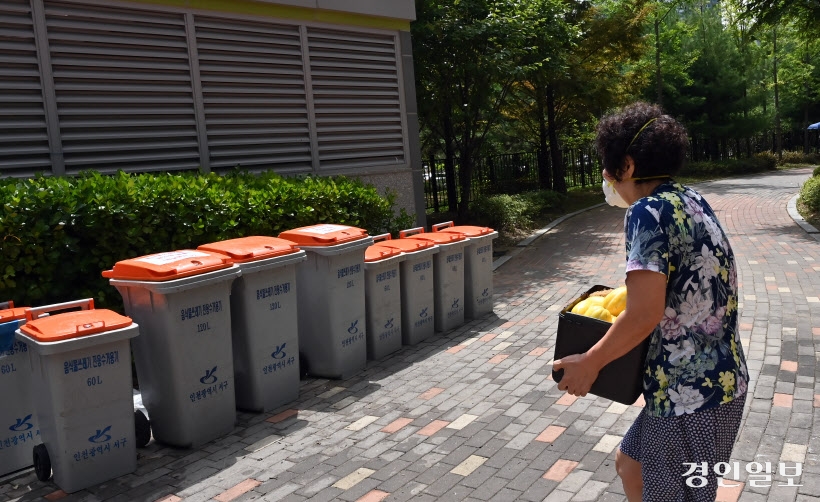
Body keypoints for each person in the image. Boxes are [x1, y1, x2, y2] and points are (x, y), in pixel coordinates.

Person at [552, 101, 749, 502]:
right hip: (715, 382)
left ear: (626, 165)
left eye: (608, 168)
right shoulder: (688, 197)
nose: (607, 179)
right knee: (631, 465)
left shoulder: (646, 211)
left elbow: (644, 313)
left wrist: (590, 363)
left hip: (688, 393)